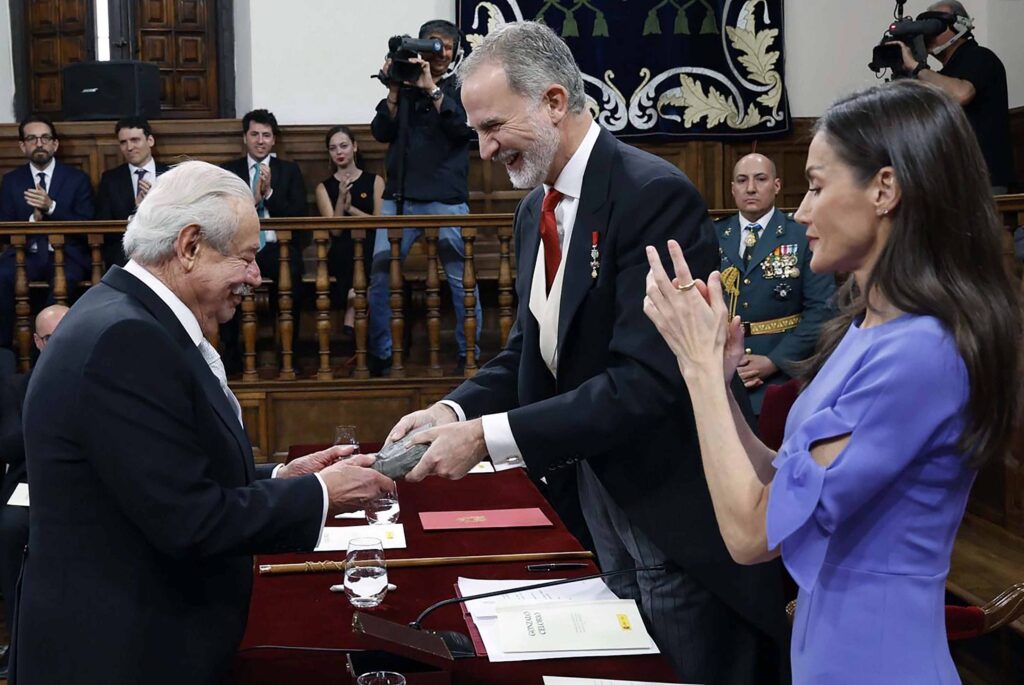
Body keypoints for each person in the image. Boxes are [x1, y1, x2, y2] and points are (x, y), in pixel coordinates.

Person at [385, 21, 787, 683]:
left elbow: (644, 384)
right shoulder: (530, 211)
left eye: (492, 127)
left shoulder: (651, 196)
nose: (482, 150)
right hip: (595, 498)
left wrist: (488, 438)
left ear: (552, 101)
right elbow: (530, 354)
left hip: (672, 513)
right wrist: (453, 412)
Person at [643, 79, 1021, 683]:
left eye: (816, 186)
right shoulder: (870, 327)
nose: (801, 210)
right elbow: (785, 478)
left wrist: (696, 372)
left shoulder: (921, 351)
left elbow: (751, 534)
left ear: (884, 188)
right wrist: (718, 379)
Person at [12, 161, 395, 684]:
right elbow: (189, 519)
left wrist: (282, 479)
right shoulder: (126, 340)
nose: (257, 278)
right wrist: (322, 495)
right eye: (247, 258)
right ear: (190, 246)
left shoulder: (127, 316)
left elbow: (162, 471)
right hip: (123, 655)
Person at [368, 19, 480, 376]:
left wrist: (432, 89)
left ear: (456, 51)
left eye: (447, 47)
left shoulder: (464, 87)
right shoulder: (405, 82)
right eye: (434, 44)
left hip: (446, 200)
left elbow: (462, 130)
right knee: (379, 277)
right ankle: (382, 355)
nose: (440, 53)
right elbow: (381, 132)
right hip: (400, 198)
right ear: (420, 45)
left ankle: (469, 355)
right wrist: (394, 90)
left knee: (462, 280)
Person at [716, 153, 835, 414]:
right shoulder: (714, 235)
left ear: (777, 186)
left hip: (783, 379)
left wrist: (774, 361)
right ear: (732, 189)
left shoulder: (803, 235)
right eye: (742, 180)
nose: (750, 188)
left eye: (760, 179)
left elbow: (822, 312)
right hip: (722, 377)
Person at [0, 304, 67, 678]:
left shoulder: (99, 374)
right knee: (11, 527)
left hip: (86, 481)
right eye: (54, 339)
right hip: (31, 481)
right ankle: (21, 646)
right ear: (40, 343)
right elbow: (9, 444)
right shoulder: (16, 386)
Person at [221, 109, 308, 373]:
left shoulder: (289, 171)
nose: (260, 140)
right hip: (241, 252)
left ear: (274, 140)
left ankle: (287, 355)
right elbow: (223, 214)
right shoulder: (229, 171)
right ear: (245, 138)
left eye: (266, 135)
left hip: (277, 249)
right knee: (233, 285)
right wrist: (252, 201)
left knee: (290, 278)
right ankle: (233, 359)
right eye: (255, 134)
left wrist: (269, 193)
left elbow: (298, 217)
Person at [894, 1, 1015, 191]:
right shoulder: (942, 74)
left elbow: (960, 94)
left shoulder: (980, 57)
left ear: (959, 25)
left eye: (935, 25)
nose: (928, 35)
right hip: (953, 180)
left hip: (983, 181)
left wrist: (917, 68)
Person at [0, 115, 93, 349]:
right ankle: (4, 354)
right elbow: (4, 227)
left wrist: (51, 207)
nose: (39, 143)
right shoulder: (12, 181)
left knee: (65, 280)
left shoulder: (77, 179)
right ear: (22, 145)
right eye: (31, 138)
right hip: (25, 257)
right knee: (1, 277)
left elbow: (86, 225)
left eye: (44, 138)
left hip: (66, 256)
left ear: (55, 144)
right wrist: (33, 220)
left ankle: (50, 350)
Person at [314, 125, 384, 333]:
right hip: (342, 251)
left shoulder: (375, 181)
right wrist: (341, 200)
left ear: (354, 147)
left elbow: (378, 223)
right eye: (333, 148)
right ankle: (356, 297)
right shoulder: (323, 188)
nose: (339, 152)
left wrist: (351, 209)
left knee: (370, 249)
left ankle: (354, 303)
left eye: (343, 146)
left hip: (373, 244)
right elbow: (334, 230)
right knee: (348, 248)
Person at [95, 116, 171, 268]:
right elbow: (104, 226)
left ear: (150, 141)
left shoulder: (170, 175)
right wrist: (136, 212)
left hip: (165, 249)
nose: (129, 147)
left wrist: (153, 204)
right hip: (125, 254)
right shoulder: (110, 180)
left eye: (135, 140)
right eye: (123, 142)